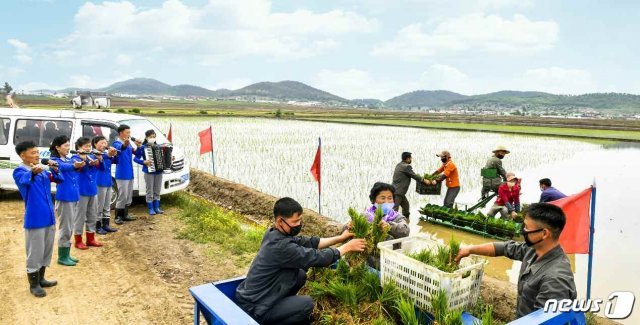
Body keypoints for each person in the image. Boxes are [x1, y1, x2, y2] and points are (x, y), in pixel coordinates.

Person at [236, 197, 366, 325]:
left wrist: (340, 238)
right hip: (256, 308)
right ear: (280, 221)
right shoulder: (281, 247)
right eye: (295, 221)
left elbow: (310, 243)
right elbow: (315, 257)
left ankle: (284, 307)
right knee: (307, 304)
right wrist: (347, 247)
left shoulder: (274, 233)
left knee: (299, 275)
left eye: (300, 220)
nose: (299, 224)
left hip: (260, 297)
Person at [455, 203, 577, 317]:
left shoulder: (555, 279)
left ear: (544, 234)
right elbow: (505, 248)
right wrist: (470, 249)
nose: (523, 231)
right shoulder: (534, 249)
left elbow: (546, 320)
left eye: (527, 227)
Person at [13, 141, 61, 297]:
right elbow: (24, 180)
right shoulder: (20, 171)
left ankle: (41, 278)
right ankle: (33, 284)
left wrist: (54, 168)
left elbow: (59, 179)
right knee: (35, 251)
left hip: (48, 216)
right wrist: (33, 172)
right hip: (35, 218)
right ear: (23, 155)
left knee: (46, 249)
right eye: (33, 153)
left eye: (37, 152)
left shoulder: (41, 171)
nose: (37, 155)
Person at [50, 135, 85, 266]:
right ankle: (62, 256)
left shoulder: (68, 158)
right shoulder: (54, 160)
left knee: (70, 227)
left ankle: (67, 254)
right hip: (65, 197)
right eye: (65, 145)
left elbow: (71, 167)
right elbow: (63, 167)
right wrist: (75, 165)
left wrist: (79, 164)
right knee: (65, 227)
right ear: (57, 147)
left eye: (68, 145)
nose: (68, 148)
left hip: (73, 196)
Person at [72, 137, 104, 249]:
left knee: (92, 215)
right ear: (79, 147)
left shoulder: (91, 156)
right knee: (79, 216)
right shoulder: (75, 157)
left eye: (89, 146)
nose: (88, 148)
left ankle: (91, 238)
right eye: (86, 146)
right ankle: (78, 240)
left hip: (92, 190)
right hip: (81, 191)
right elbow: (83, 169)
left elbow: (102, 168)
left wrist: (100, 159)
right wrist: (86, 160)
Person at [112, 124, 141, 224]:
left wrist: (138, 147)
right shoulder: (116, 143)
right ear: (121, 133)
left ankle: (125, 214)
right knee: (122, 195)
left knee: (128, 195)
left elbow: (137, 154)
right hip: (122, 174)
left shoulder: (129, 144)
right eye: (127, 132)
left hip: (130, 173)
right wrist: (125, 144)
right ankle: (117, 216)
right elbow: (121, 147)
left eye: (129, 132)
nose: (129, 134)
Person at [134, 130, 164, 216]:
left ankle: (157, 208)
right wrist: (144, 162)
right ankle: (151, 208)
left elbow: (164, 158)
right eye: (150, 136)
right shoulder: (143, 147)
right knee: (149, 190)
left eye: (154, 136)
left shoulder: (159, 146)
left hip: (159, 171)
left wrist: (170, 158)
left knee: (157, 189)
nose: (152, 138)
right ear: (146, 137)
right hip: (148, 171)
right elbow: (135, 159)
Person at [392, 152, 430, 220]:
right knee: (394, 210)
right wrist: (424, 180)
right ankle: (390, 225)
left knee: (406, 207)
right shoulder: (406, 167)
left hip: (399, 192)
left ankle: (406, 222)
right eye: (410, 158)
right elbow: (414, 176)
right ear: (407, 159)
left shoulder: (399, 165)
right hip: (398, 192)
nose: (411, 159)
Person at [92, 136, 118, 234]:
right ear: (95, 144)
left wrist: (115, 155)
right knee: (99, 205)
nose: (104, 145)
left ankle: (106, 224)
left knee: (107, 204)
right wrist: (110, 155)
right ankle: (97, 225)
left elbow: (116, 161)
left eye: (105, 143)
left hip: (108, 181)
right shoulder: (94, 153)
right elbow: (102, 165)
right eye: (101, 143)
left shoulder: (106, 154)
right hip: (99, 181)